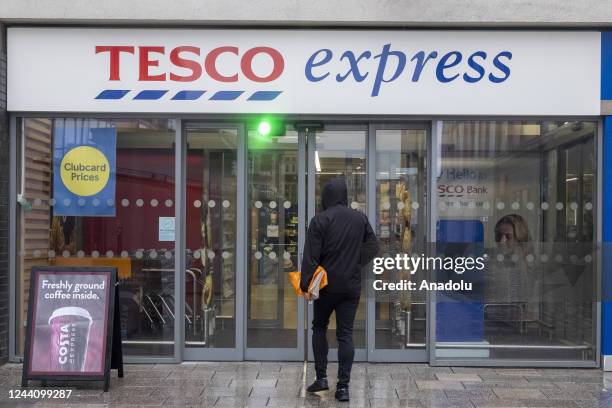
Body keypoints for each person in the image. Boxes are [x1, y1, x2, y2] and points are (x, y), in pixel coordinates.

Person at [300, 178, 379, 402]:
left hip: (325, 286)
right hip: (350, 286)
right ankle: (343, 387)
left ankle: (322, 378)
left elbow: (310, 257)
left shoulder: (320, 220)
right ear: (345, 195)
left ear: (326, 196)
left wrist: (306, 285)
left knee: (319, 327)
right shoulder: (359, 218)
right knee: (345, 334)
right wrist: (355, 262)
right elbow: (373, 246)